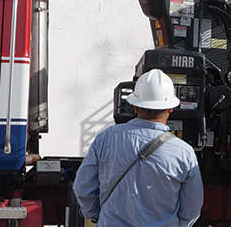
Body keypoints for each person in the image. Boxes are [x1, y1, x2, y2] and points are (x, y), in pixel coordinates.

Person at [74, 69, 203, 226]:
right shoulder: (184, 152)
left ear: (135, 107)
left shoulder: (106, 138)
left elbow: (82, 188)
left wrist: (97, 216)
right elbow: (192, 207)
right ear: (170, 109)